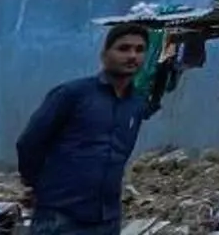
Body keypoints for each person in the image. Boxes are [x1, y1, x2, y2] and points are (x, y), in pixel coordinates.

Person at [16, 22, 175, 235]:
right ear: (104, 55)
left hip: (106, 219)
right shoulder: (73, 94)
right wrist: (37, 186)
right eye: (123, 48)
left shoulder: (135, 104)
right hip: (61, 216)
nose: (132, 56)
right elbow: (29, 143)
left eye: (139, 50)